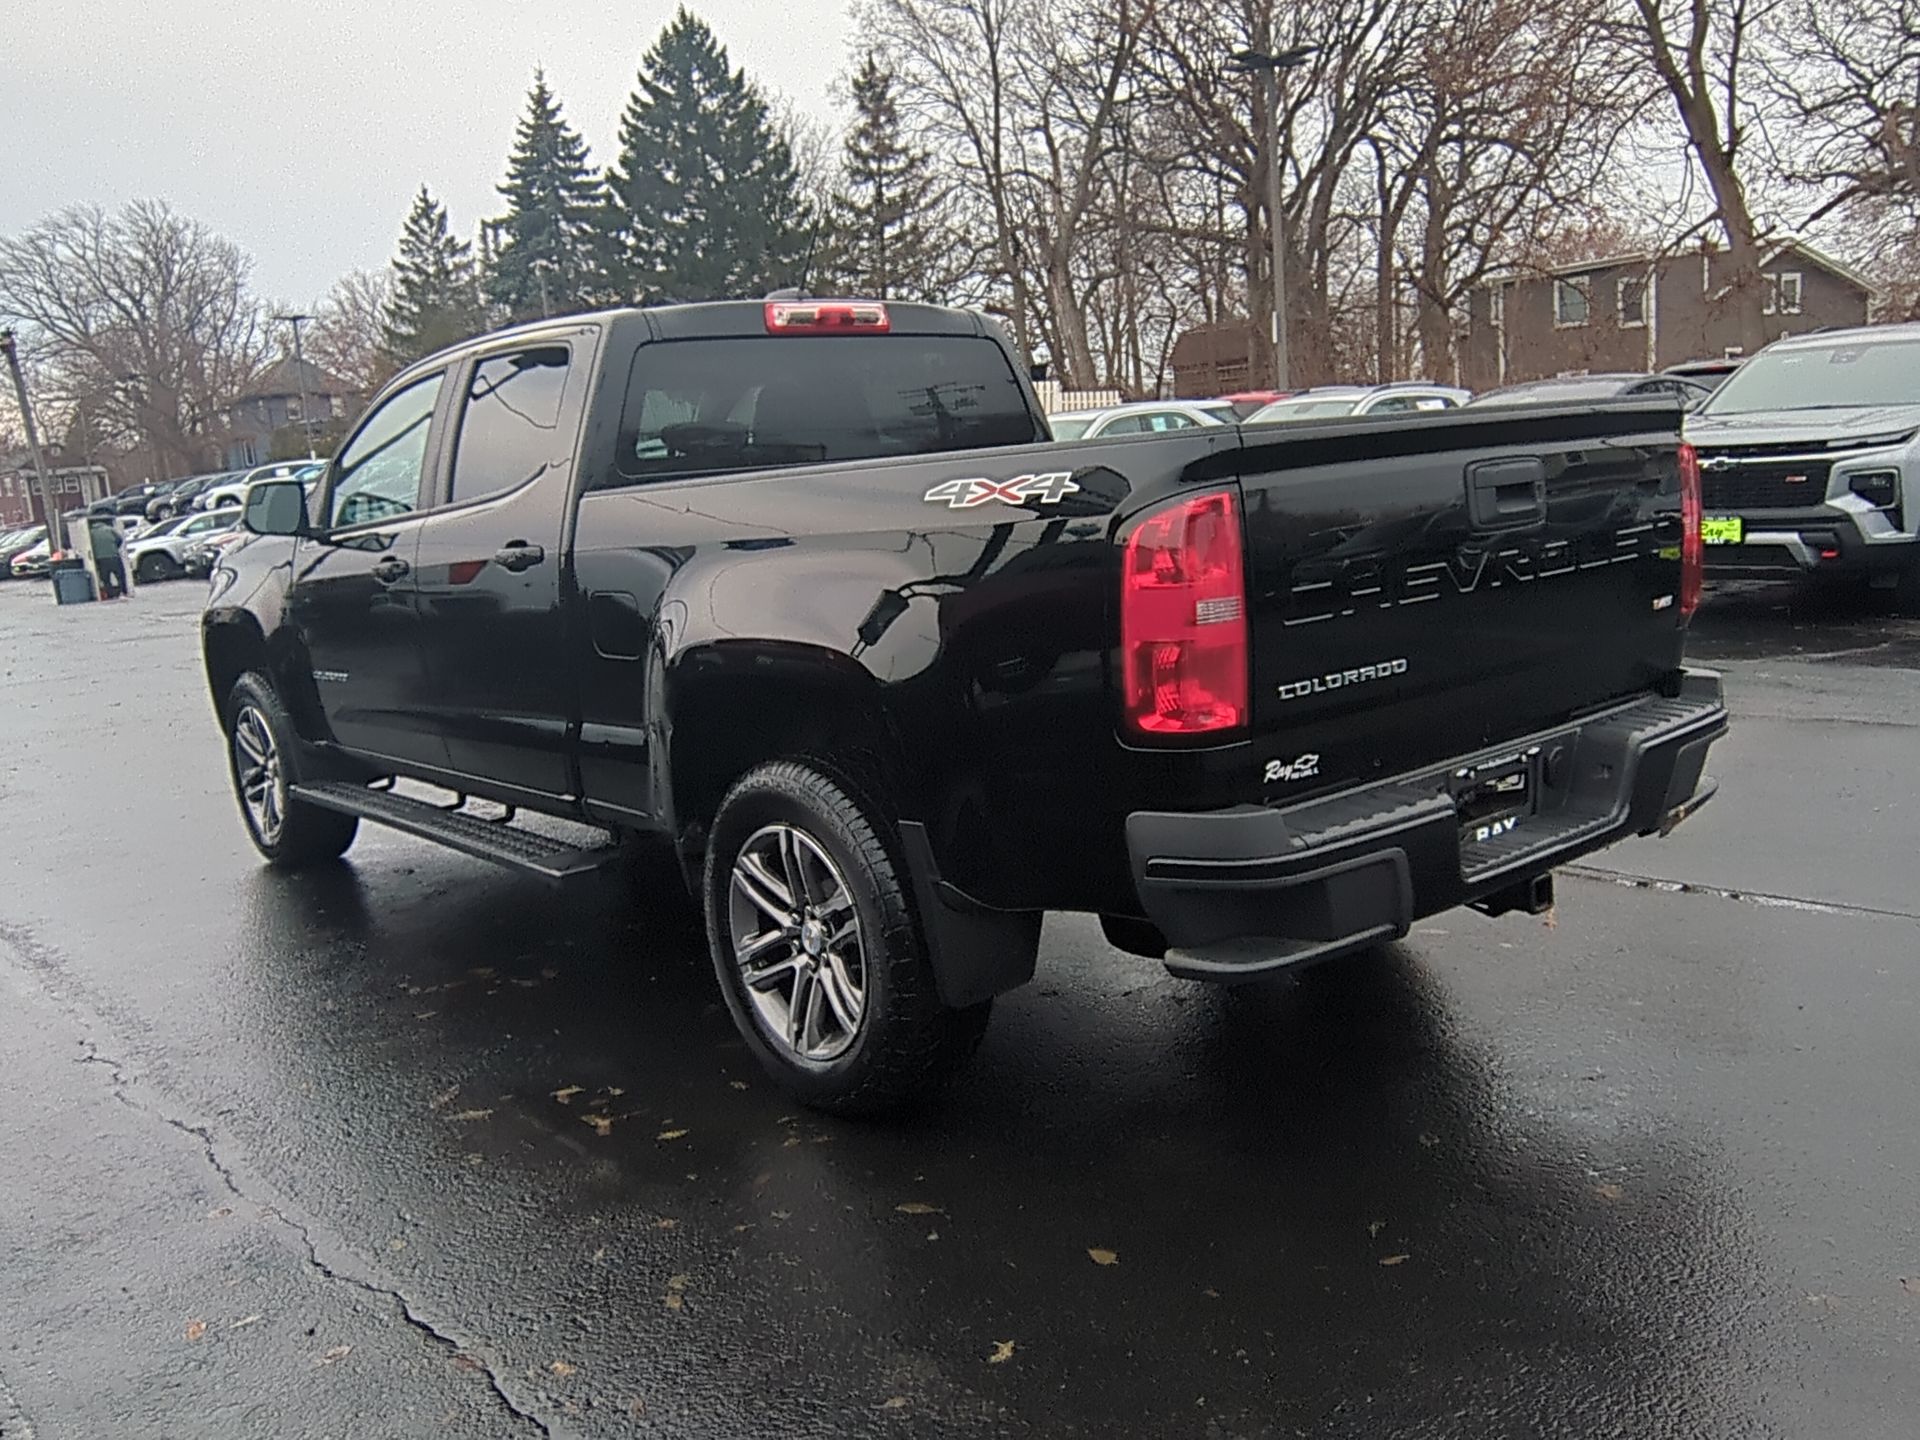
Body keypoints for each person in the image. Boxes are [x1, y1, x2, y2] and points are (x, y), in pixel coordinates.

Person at [89, 517, 126, 599]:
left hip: (101, 559)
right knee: (120, 576)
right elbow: (119, 539)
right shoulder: (109, 529)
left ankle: (110, 594)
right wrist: (115, 547)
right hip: (114, 556)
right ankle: (123, 591)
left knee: (106, 579)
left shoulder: (91, 533)